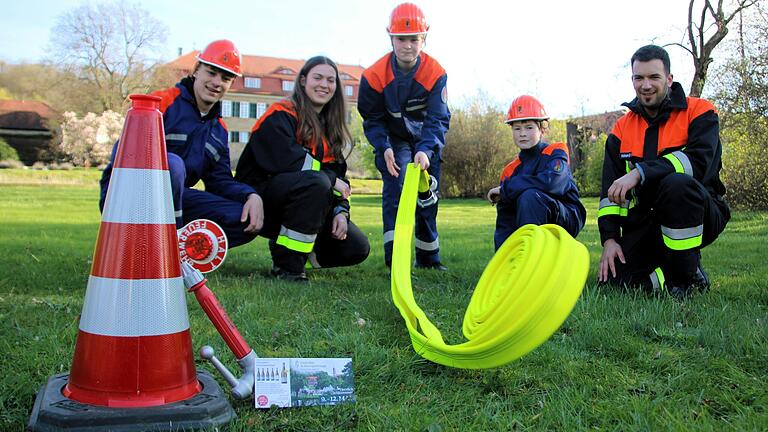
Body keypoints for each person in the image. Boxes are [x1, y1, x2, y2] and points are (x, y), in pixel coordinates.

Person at [99, 39, 263, 247]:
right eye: (211, 72)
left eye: (225, 78)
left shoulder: (219, 130)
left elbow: (219, 181)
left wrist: (251, 196)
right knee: (173, 165)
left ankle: (181, 249)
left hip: (174, 203)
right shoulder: (161, 104)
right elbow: (125, 155)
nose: (216, 82)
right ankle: (168, 247)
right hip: (128, 195)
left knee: (243, 218)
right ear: (196, 70)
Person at [597, 45, 730, 299]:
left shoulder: (700, 111)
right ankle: (677, 275)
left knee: (677, 184)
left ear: (669, 79)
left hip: (699, 211)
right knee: (613, 283)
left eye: (654, 77)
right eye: (639, 78)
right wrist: (610, 239)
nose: (646, 85)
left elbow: (698, 163)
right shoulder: (621, 129)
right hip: (647, 222)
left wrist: (639, 173)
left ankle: (686, 278)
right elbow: (609, 194)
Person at [235, 56, 370, 282]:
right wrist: (328, 177)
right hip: (260, 198)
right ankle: (288, 267)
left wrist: (341, 212)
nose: (324, 85)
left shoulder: (331, 129)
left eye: (330, 80)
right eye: (317, 78)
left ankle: (295, 249)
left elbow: (340, 179)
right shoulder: (282, 113)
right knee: (317, 182)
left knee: (356, 247)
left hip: (309, 200)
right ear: (303, 81)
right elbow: (284, 159)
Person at [358, 2, 451, 270]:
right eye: (401, 39)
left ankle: (429, 259)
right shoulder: (373, 76)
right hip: (393, 141)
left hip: (426, 142)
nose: (408, 45)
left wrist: (426, 149)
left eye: (414, 39)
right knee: (396, 191)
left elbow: (438, 119)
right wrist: (383, 147)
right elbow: (373, 120)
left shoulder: (436, 73)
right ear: (391, 38)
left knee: (428, 194)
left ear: (424, 39)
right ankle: (395, 259)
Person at [487, 95, 586, 251]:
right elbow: (505, 219)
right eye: (517, 128)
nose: (522, 133)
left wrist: (506, 189)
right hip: (527, 219)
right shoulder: (509, 171)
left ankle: (533, 257)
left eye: (529, 127)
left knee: (530, 196)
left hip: (568, 215)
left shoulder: (556, 151)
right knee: (518, 201)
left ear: (542, 129)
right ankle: (522, 257)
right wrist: (503, 256)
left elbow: (553, 183)